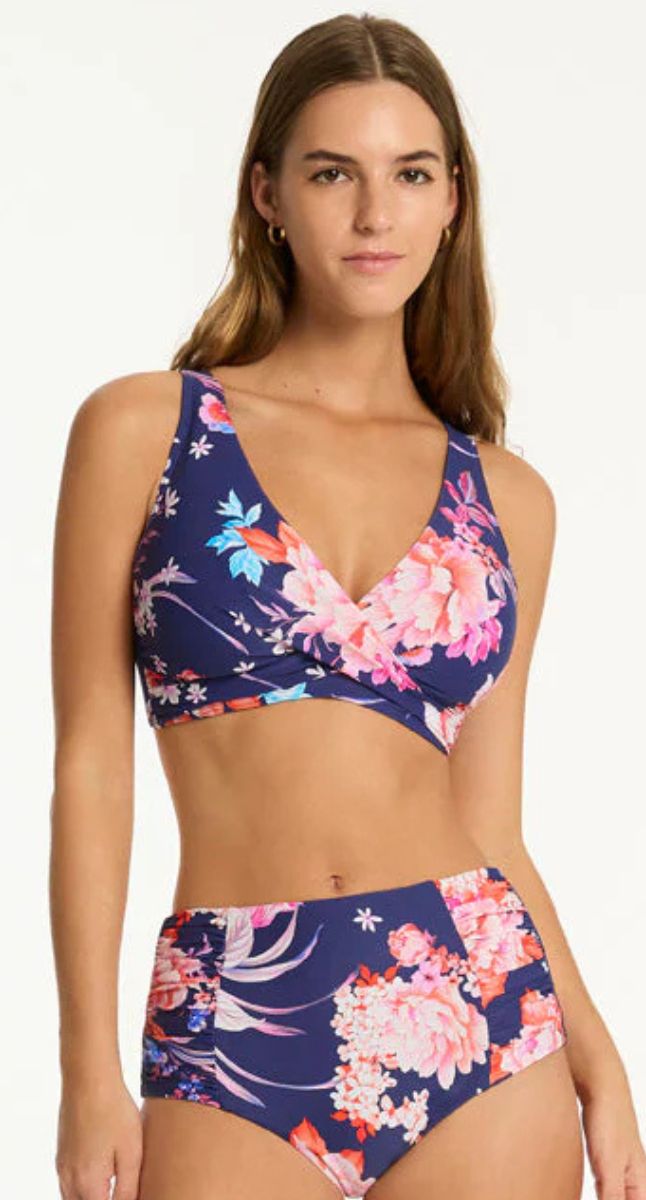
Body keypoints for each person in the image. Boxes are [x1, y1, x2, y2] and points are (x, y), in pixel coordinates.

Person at [50, 12, 646, 1200]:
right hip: (230, 1012)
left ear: (452, 200)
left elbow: (490, 818)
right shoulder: (146, 430)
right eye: (333, 173)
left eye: (410, 174)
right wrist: (86, 1070)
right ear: (266, 193)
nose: (376, 214)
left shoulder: (506, 499)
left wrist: (594, 1055)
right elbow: (91, 768)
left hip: (482, 1016)